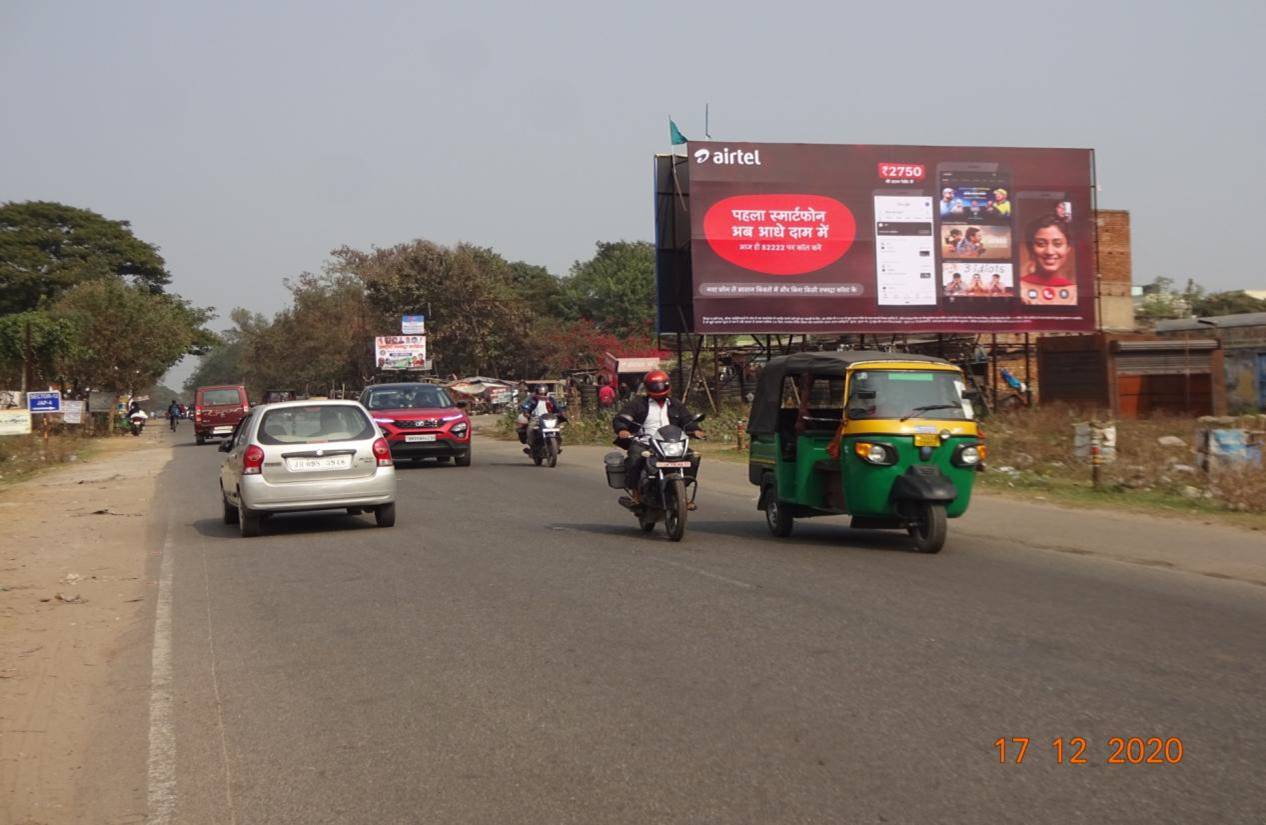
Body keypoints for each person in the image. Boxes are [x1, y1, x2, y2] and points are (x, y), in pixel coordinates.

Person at [613, 370, 704, 505]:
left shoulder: (675, 404)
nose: (659, 388)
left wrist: (696, 430)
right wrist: (622, 429)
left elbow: (687, 420)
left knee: (693, 457)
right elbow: (622, 418)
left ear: (668, 385)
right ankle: (636, 495)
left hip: (671, 444)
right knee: (634, 458)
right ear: (648, 387)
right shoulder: (638, 404)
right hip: (645, 443)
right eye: (655, 386)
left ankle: (682, 493)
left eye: (662, 385)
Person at [1019, 214, 1077, 306]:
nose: (1049, 252)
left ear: (1068, 248)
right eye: (1041, 244)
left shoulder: (1075, 294)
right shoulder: (1018, 289)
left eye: (1057, 244)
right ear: (1030, 248)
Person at [516, 384, 563, 451]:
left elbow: (558, 407)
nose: (542, 395)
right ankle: (531, 444)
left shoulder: (551, 399)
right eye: (540, 393)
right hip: (536, 418)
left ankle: (557, 444)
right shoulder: (533, 399)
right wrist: (526, 412)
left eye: (544, 393)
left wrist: (561, 412)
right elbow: (526, 406)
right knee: (530, 428)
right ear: (537, 392)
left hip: (549, 418)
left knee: (558, 428)